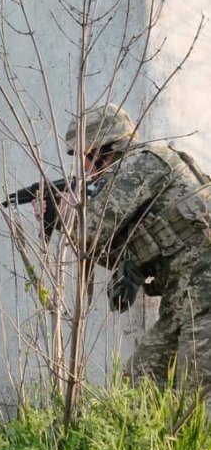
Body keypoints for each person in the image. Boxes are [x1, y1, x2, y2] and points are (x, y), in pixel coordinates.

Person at [54, 103, 211, 386]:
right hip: (185, 297)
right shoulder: (138, 170)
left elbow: (89, 234)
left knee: (198, 399)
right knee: (138, 385)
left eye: (84, 157)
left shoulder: (139, 165)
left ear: (103, 151)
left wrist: (65, 213)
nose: (83, 168)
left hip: (203, 296)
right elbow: (114, 253)